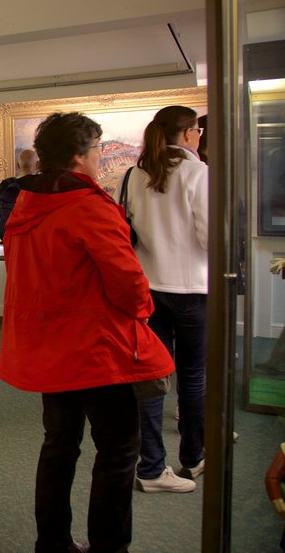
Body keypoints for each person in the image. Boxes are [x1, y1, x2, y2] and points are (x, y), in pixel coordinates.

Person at [0, 112, 173, 553]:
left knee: (59, 446)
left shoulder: (25, 205)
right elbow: (129, 284)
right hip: (99, 352)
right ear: (79, 156)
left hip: (48, 349)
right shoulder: (89, 207)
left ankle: (52, 542)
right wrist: (144, 309)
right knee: (117, 453)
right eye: (98, 150)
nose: (101, 158)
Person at [120, 105, 209, 493]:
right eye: (197, 131)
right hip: (191, 289)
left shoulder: (135, 173)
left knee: (153, 378)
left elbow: (130, 229)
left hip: (150, 288)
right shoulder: (196, 172)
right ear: (188, 133)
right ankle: (193, 455)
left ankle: (152, 466)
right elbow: (208, 237)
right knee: (192, 375)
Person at [0, 148, 39, 242]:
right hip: (36, 243)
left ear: (17, 165)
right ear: (37, 165)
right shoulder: (42, 186)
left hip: (12, 243)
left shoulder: (5, 186)